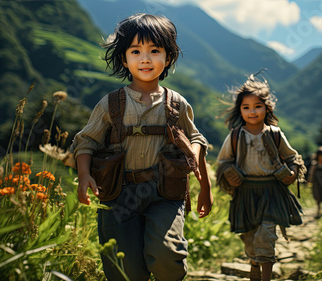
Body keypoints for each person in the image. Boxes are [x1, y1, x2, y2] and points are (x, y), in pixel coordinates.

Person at [65, 14, 213, 281]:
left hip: (165, 192)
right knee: (125, 269)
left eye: (154, 51)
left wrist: (205, 186)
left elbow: (196, 138)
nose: (145, 58)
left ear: (168, 58)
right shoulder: (110, 104)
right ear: (124, 59)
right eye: (136, 51)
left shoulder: (176, 103)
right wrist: (84, 176)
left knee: (169, 256)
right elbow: (86, 141)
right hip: (118, 193)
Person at [216, 74, 305, 281]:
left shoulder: (275, 133)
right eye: (246, 107)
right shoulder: (236, 136)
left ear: (267, 108)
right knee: (250, 239)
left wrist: (291, 173)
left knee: (266, 236)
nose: (252, 111)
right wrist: (229, 174)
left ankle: (266, 276)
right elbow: (222, 163)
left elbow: (293, 158)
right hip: (245, 193)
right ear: (240, 110)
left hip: (272, 192)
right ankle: (254, 262)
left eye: (257, 106)